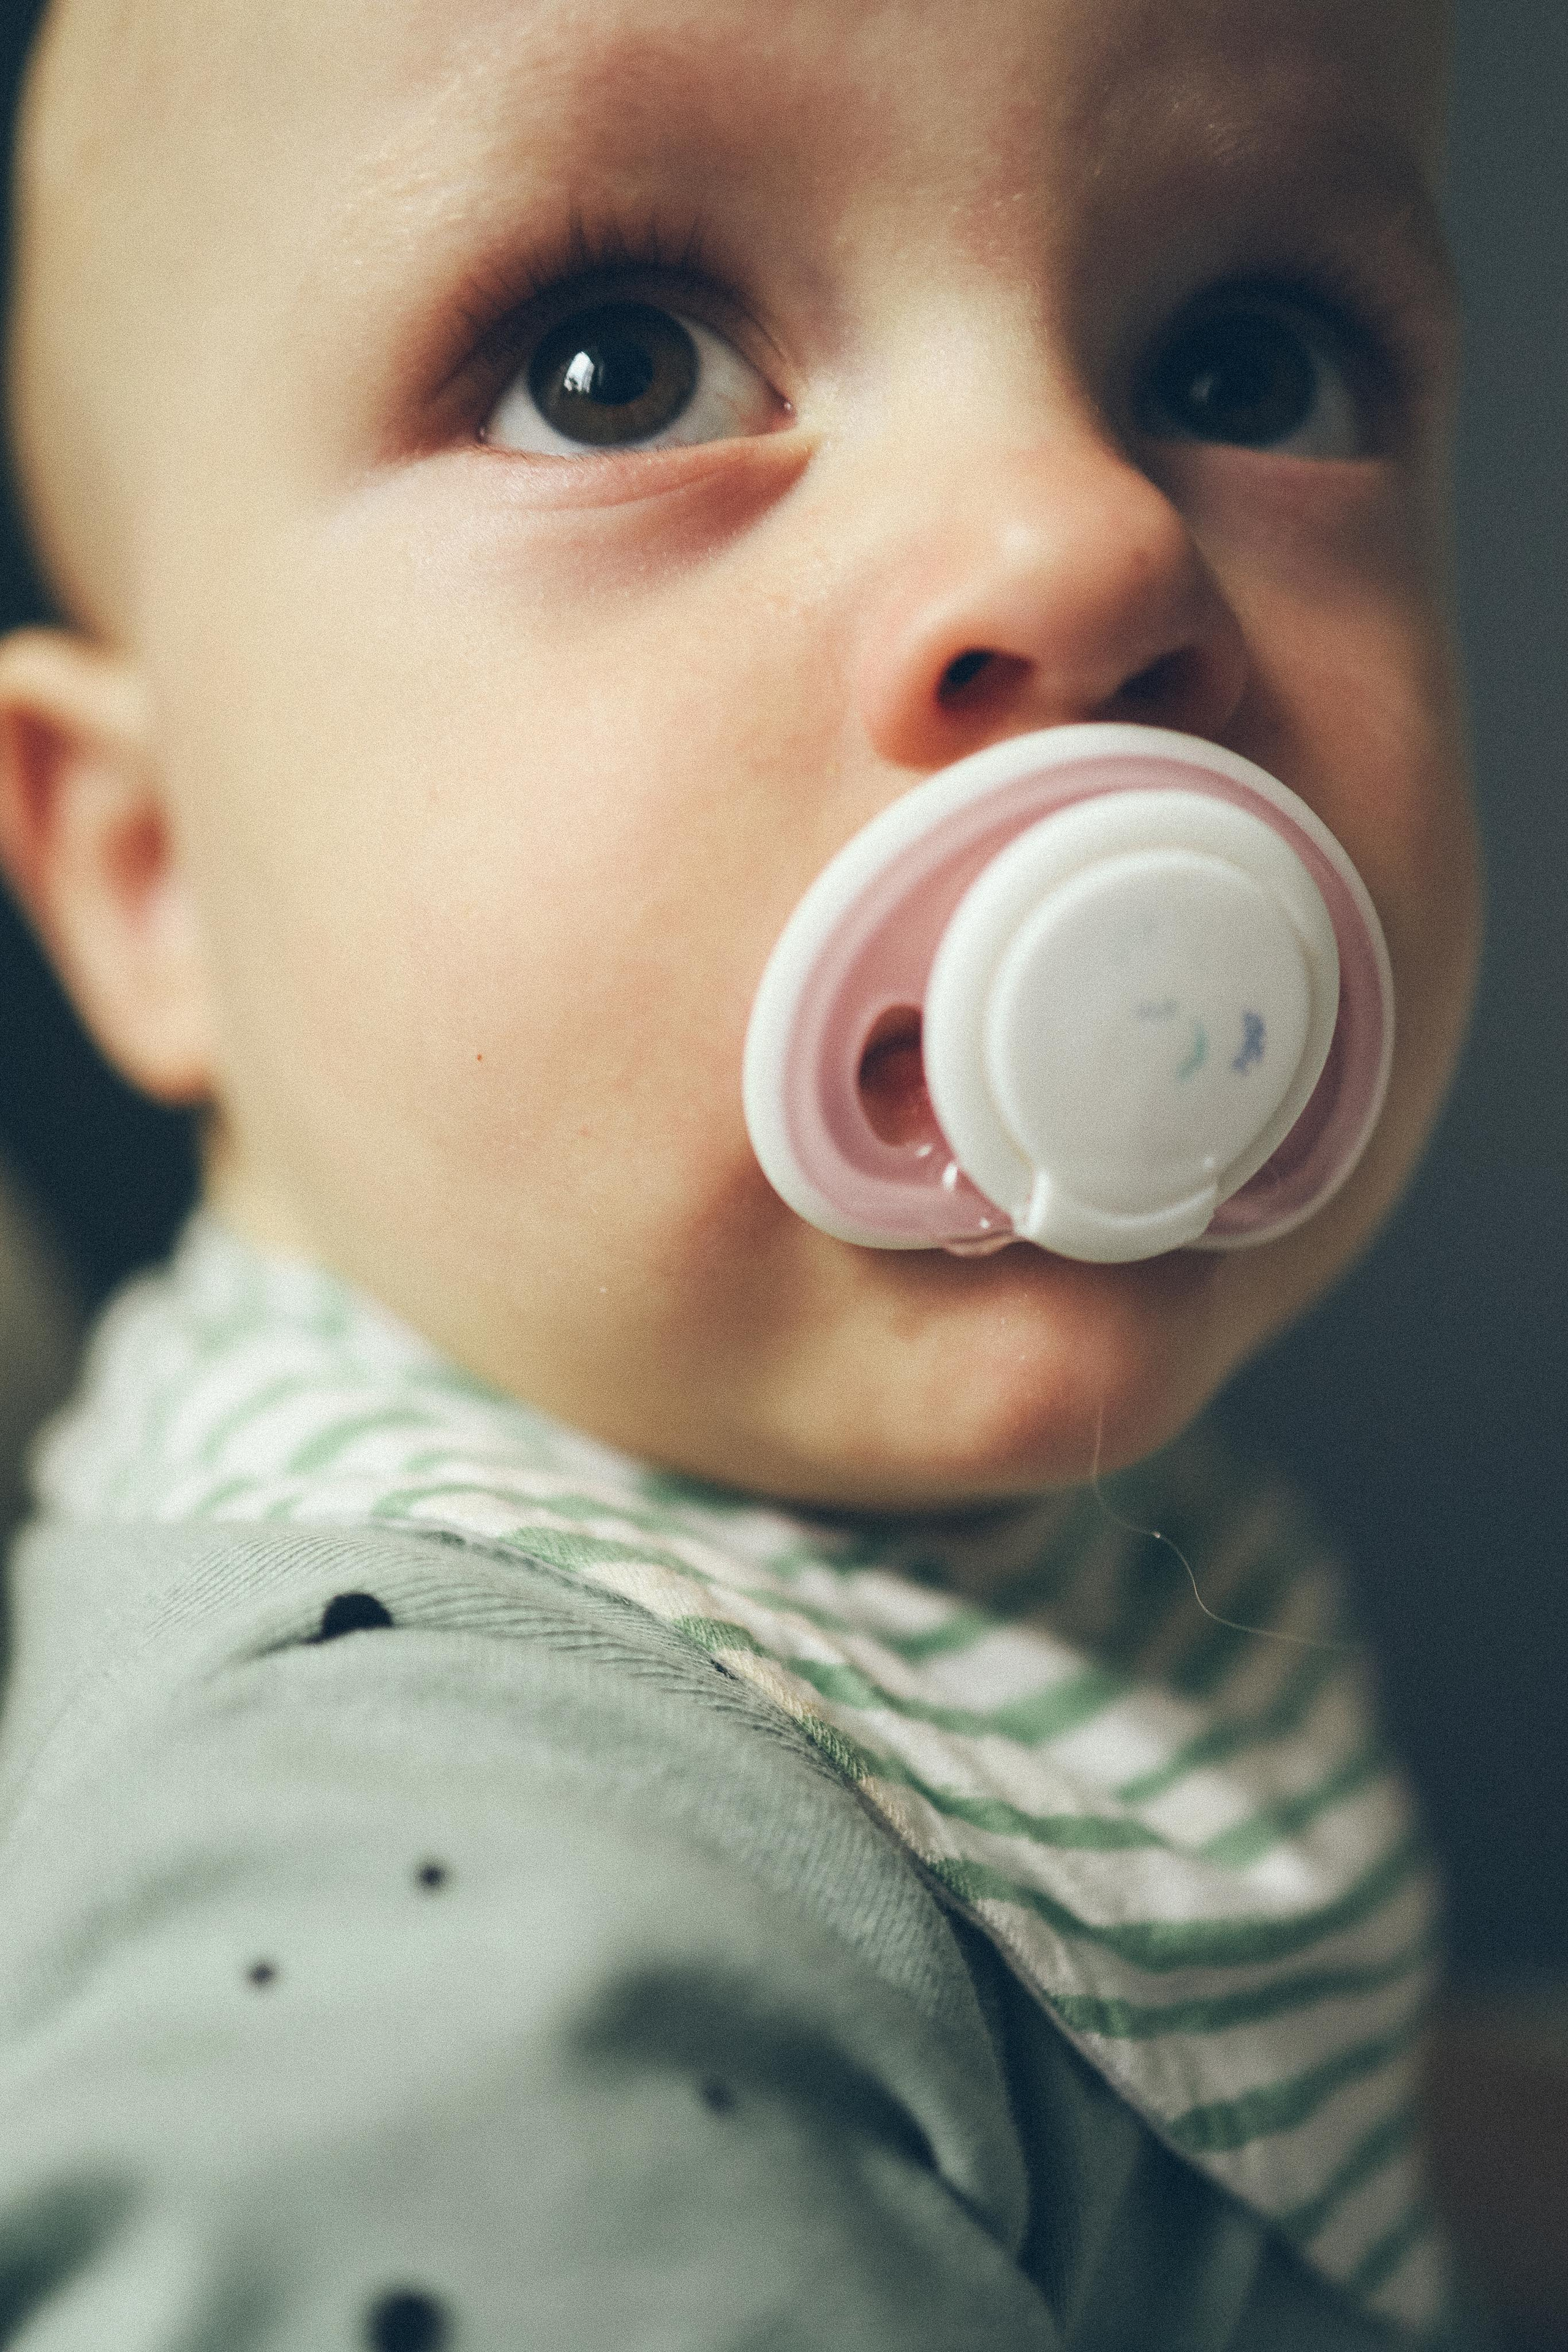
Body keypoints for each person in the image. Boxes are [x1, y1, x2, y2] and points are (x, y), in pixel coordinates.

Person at [0, 0, 1488, 2344]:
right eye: (612, 367)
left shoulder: (863, 1504)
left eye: (1245, 359)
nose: (1081, 531)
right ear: (153, 877)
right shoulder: (449, 1953)